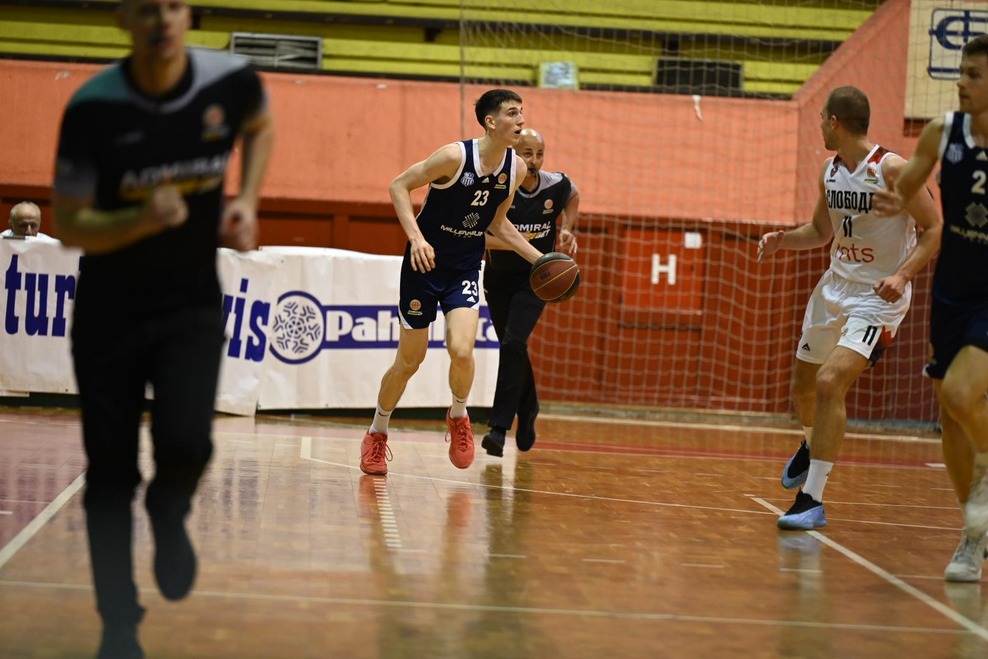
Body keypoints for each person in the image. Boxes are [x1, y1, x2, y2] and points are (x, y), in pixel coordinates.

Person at [50, 1, 274, 656]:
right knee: (109, 475)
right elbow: (69, 223)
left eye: (174, 6)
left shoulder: (231, 82)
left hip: (190, 308)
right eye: (147, 8)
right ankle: (118, 624)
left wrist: (248, 199)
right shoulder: (93, 108)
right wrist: (142, 219)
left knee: (188, 443)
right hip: (109, 314)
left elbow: (261, 123)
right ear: (123, 18)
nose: (163, 20)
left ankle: (169, 508)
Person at [758, 85, 942, 531]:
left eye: (822, 118)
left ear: (835, 121)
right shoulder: (830, 170)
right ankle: (811, 444)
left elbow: (935, 227)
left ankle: (811, 499)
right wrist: (783, 240)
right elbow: (822, 231)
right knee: (803, 388)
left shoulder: (892, 169)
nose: (820, 126)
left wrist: (902, 276)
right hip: (834, 287)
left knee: (829, 381)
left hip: (877, 297)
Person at [360, 89, 543, 476]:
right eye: (513, 113)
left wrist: (541, 260)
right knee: (409, 361)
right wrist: (416, 238)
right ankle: (377, 432)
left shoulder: (515, 169)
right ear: (491, 122)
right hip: (424, 267)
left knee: (462, 349)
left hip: (464, 268)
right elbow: (398, 185)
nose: (521, 120)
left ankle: (459, 416)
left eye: (522, 113)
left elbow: (498, 225)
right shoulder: (454, 157)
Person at [873, 35, 988, 582]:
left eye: (974, 75)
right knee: (948, 409)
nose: (961, 82)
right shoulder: (943, 131)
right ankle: (974, 535)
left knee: (964, 394)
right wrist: (896, 200)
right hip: (952, 288)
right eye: (961, 71)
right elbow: (913, 188)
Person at [480, 128, 579, 457]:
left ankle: (498, 428)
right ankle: (529, 406)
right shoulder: (497, 186)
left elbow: (574, 195)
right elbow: (482, 238)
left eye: (539, 154)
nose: (534, 160)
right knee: (513, 347)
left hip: (537, 279)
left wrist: (567, 228)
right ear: (513, 154)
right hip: (498, 278)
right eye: (527, 153)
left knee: (513, 342)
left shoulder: (556, 184)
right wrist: (517, 244)